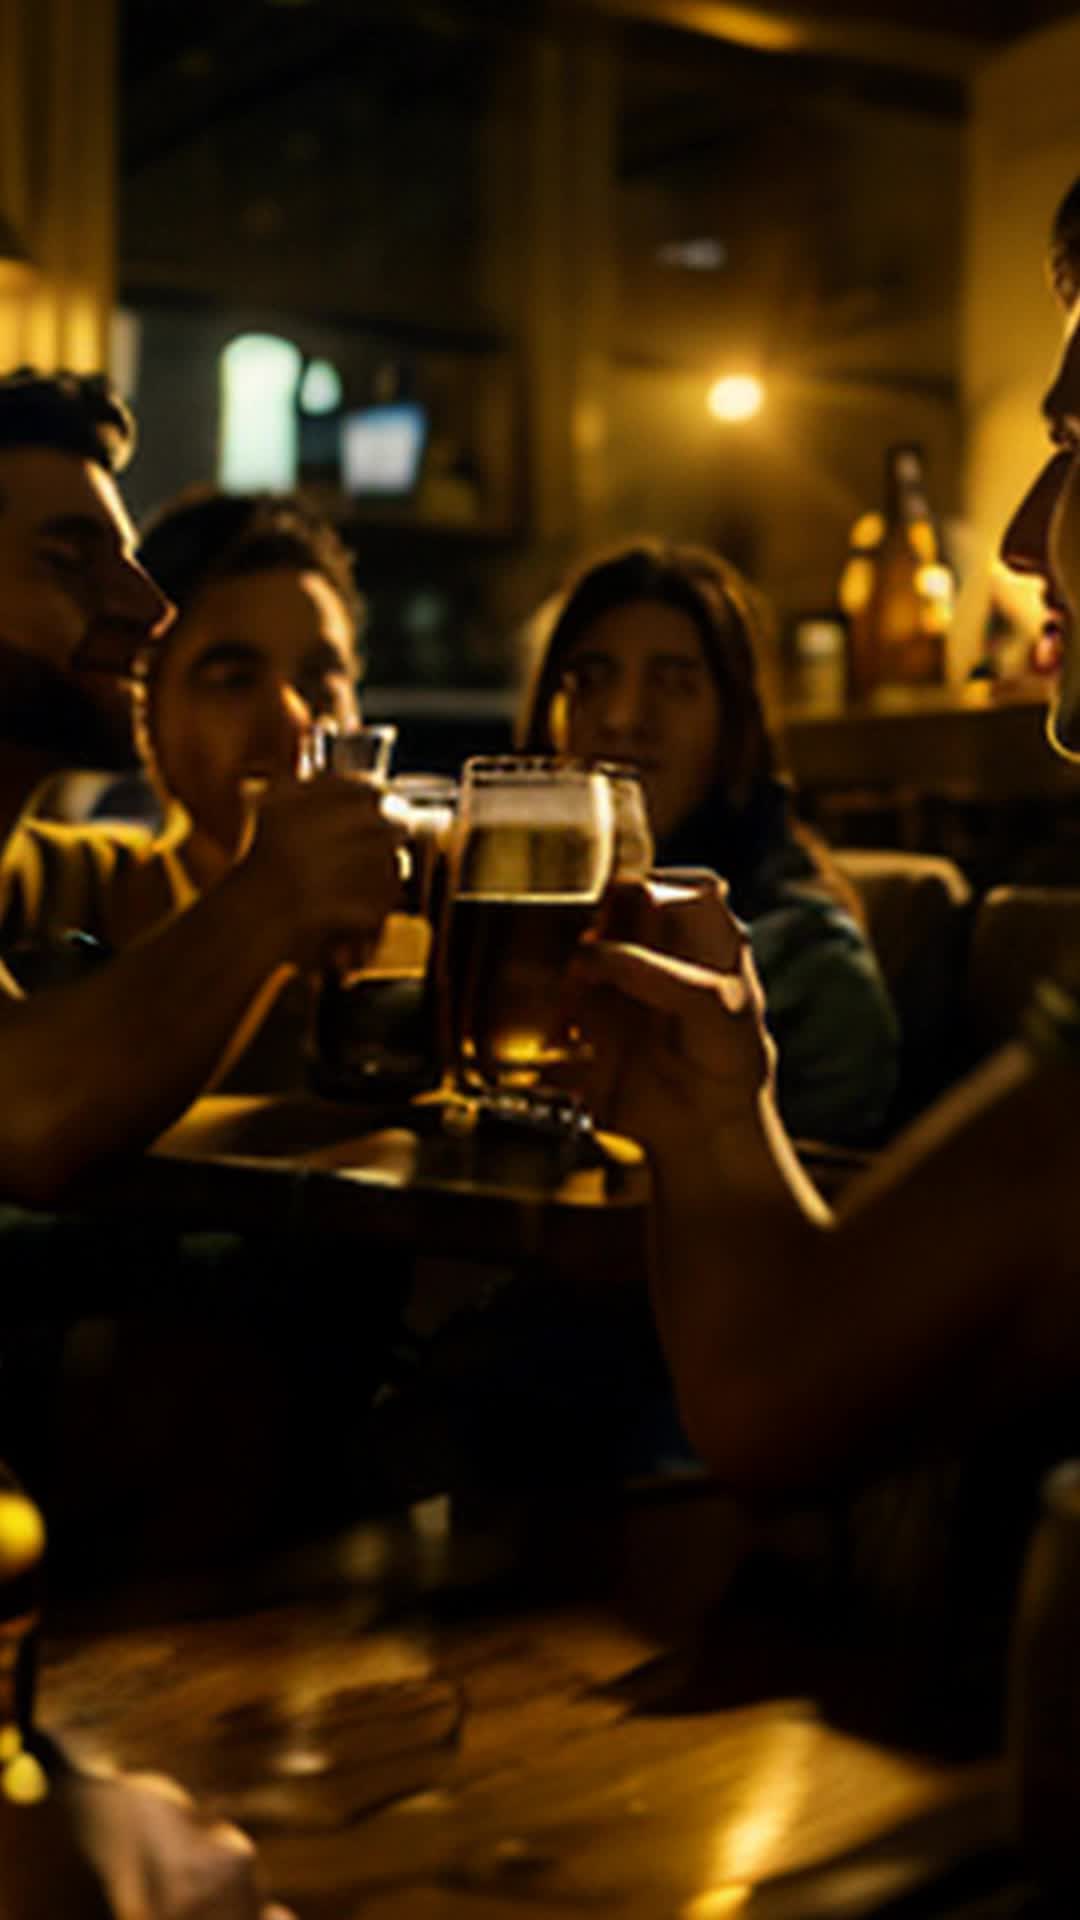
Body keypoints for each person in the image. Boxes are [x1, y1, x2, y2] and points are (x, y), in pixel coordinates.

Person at [567, 176, 1080, 1521]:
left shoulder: (804, 940)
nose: (1024, 539)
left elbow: (786, 1394)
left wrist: (712, 1119)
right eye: (593, 678)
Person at [519, 541, 899, 1145]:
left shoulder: (811, 969)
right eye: (591, 680)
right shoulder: (505, 942)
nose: (621, 717)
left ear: (734, 726)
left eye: (672, 684)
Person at [0, 487, 366, 958]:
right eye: (233, 680)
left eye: (318, 680)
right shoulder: (65, 890)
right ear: (146, 709)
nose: (292, 721)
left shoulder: (420, 925)